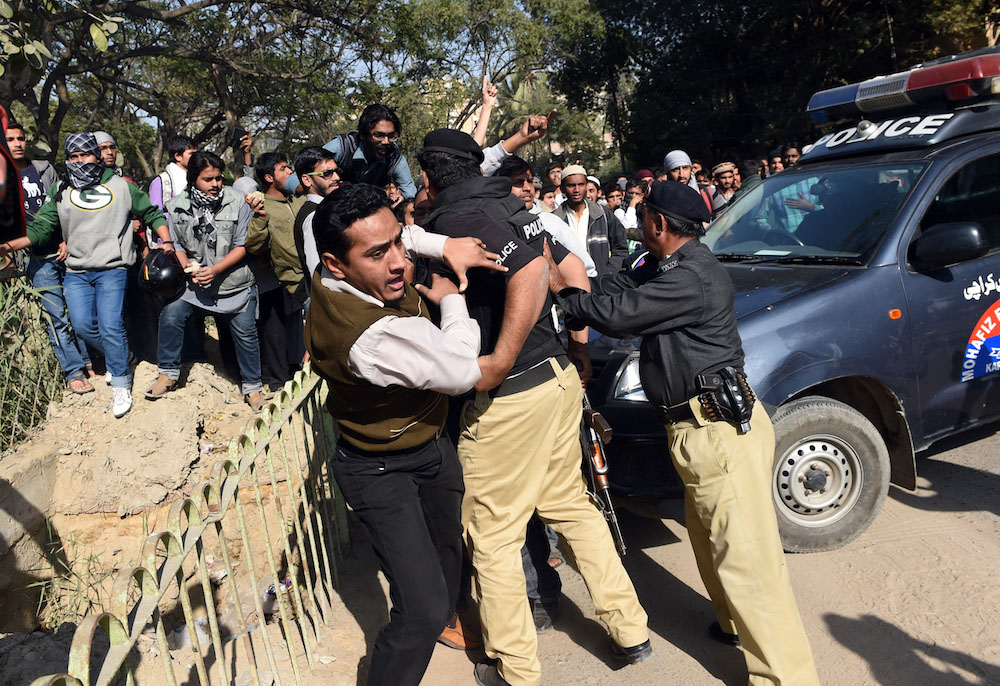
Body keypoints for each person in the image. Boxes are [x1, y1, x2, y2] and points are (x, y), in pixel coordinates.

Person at [547, 181, 820, 686]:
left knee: (749, 565)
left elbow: (618, 314)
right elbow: (616, 287)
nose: (638, 225)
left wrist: (559, 291)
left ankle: (789, 679)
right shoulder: (667, 265)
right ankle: (734, 626)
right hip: (699, 432)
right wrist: (579, 273)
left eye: (643, 217)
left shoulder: (691, 276)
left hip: (717, 433)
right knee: (713, 543)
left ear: (658, 223)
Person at [418, 129, 649, 686]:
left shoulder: (460, 218)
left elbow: (530, 271)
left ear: (427, 177)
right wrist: (577, 349)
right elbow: (569, 272)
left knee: (493, 536)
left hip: (511, 396)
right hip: (555, 380)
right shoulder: (510, 205)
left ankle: (515, 669)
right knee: (571, 507)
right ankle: (630, 630)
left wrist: (500, 357)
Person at [305, 182, 505, 686]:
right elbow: (461, 369)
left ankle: (447, 616)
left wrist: (440, 244)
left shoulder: (339, 269)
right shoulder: (372, 336)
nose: (399, 263)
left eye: (397, 241)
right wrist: (451, 301)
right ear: (335, 264)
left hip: (431, 449)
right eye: (379, 254)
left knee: (448, 553)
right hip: (380, 470)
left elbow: (398, 237)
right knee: (421, 609)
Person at [3, 132, 171, 418]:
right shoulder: (61, 189)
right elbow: (42, 226)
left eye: (86, 154)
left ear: (96, 154)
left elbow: (151, 213)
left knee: (111, 326)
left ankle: (121, 384)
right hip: (77, 271)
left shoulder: (120, 186)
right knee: (82, 326)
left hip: (112, 269)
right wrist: (7, 246)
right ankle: (124, 357)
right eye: (73, 157)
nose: (80, 161)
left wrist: (166, 242)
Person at [146, 151, 266, 410]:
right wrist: (186, 266)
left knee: (246, 335)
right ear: (193, 180)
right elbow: (177, 244)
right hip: (195, 285)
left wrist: (215, 269)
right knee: (171, 315)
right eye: (208, 179)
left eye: (219, 178)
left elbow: (243, 245)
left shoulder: (238, 202)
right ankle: (168, 373)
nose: (215, 184)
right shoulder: (176, 205)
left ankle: (253, 388)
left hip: (234, 283)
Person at [5, 121, 93, 394]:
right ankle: (74, 371)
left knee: (81, 312)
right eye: (10, 139)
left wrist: (66, 239)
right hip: (36, 258)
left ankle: (91, 361)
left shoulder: (44, 169)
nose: (17, 144)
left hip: (67, 251)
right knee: (57, 318)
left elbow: (64, 205)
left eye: (21, 138)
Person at [247, 151, 307, 384]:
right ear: (269, 177)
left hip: (306, 276)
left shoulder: (299, 199)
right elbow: (253, 245)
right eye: (283, 168)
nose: (290, 171)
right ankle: (277, 381)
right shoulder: (263, 206)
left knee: (300, 328)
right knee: (275, 332)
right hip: (276, 278)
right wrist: (260, 218)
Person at [287, 103, 416, 198]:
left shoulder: (394, 158)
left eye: (391, 136)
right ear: (363, 135)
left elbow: (411, 194)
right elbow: (292, 182)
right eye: (379, 135)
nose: (386, 142)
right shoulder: (342, 147)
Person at [552, 164, 630, 276]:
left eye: (581, 184)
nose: (576, 190)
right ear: (563, 188)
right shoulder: (554, 219)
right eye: (571, 185)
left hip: (601, 282)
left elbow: (620, 248)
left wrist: (608, 274)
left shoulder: (603, 214)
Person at [292, 146, 342, 296]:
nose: (336, 177)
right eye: (327, 173)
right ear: (307, 180)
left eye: (336, 171)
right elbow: (316, 270)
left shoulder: (324, 210)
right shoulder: (313, 216)